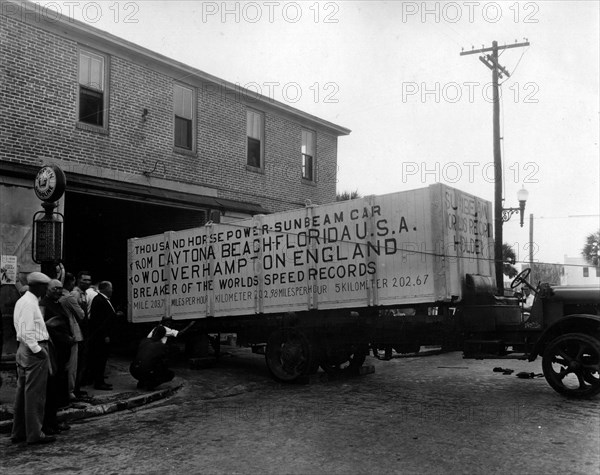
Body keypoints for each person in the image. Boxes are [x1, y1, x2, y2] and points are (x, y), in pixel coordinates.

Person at [11, 271, 56, 445]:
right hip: (33, 349)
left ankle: (20, 432)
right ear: (38, 286)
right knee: (35, 395)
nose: (46, 290)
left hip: (23, 349)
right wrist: (39, 350)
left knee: (22, 393)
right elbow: (27, 331)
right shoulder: (30, 303)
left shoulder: (23, 301)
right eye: (45, 287)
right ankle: (35, 434)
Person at [39, 279, 73, 434]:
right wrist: (65, 339)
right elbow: (47, 328)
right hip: (53, 352)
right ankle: (49, 424)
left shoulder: (57, 303)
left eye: (60, 289)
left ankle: (54, 421)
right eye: (55, 289)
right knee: (51, 390)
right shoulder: (44, 304)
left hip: (62, 352)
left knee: (57, 390)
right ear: (47, 289)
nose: (58, 291)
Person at [60, 272, 85, 399]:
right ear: (70, 282)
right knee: (72, 365)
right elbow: (81, 314)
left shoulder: (59, 296)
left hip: (62, 332)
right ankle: (70, 391)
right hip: (73, 331)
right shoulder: (69, 297)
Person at [88, 281, 117, 390]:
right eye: (111, 288)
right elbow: (99, 321)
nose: (112, 290)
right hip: (101, 337)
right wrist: (105, 335)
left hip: (105, 334)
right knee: (99, 360)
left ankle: (101, 381)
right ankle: (98, 383)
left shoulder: (104, 300)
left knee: (103, 360)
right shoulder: (99, 300)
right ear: (105, 288)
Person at [130, 326, 174, 390]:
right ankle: (150, 384)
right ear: (163, 335)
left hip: (133, 370)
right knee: (169, 373)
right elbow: (165, 362)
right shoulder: (161, 345)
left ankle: (142, 381)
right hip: (146, 371)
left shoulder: (144, 340)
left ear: (153, 333)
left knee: (147, 363)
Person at [71, 270, 92, 391]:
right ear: (78, 280)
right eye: (84, 280)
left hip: (84, 331)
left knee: (82, 361)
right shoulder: (75, 294)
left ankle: (78, 387)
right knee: (77, 362)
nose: (87, 282)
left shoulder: (84, 294)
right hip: (78, 330)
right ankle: (75, 388)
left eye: (89, 280)